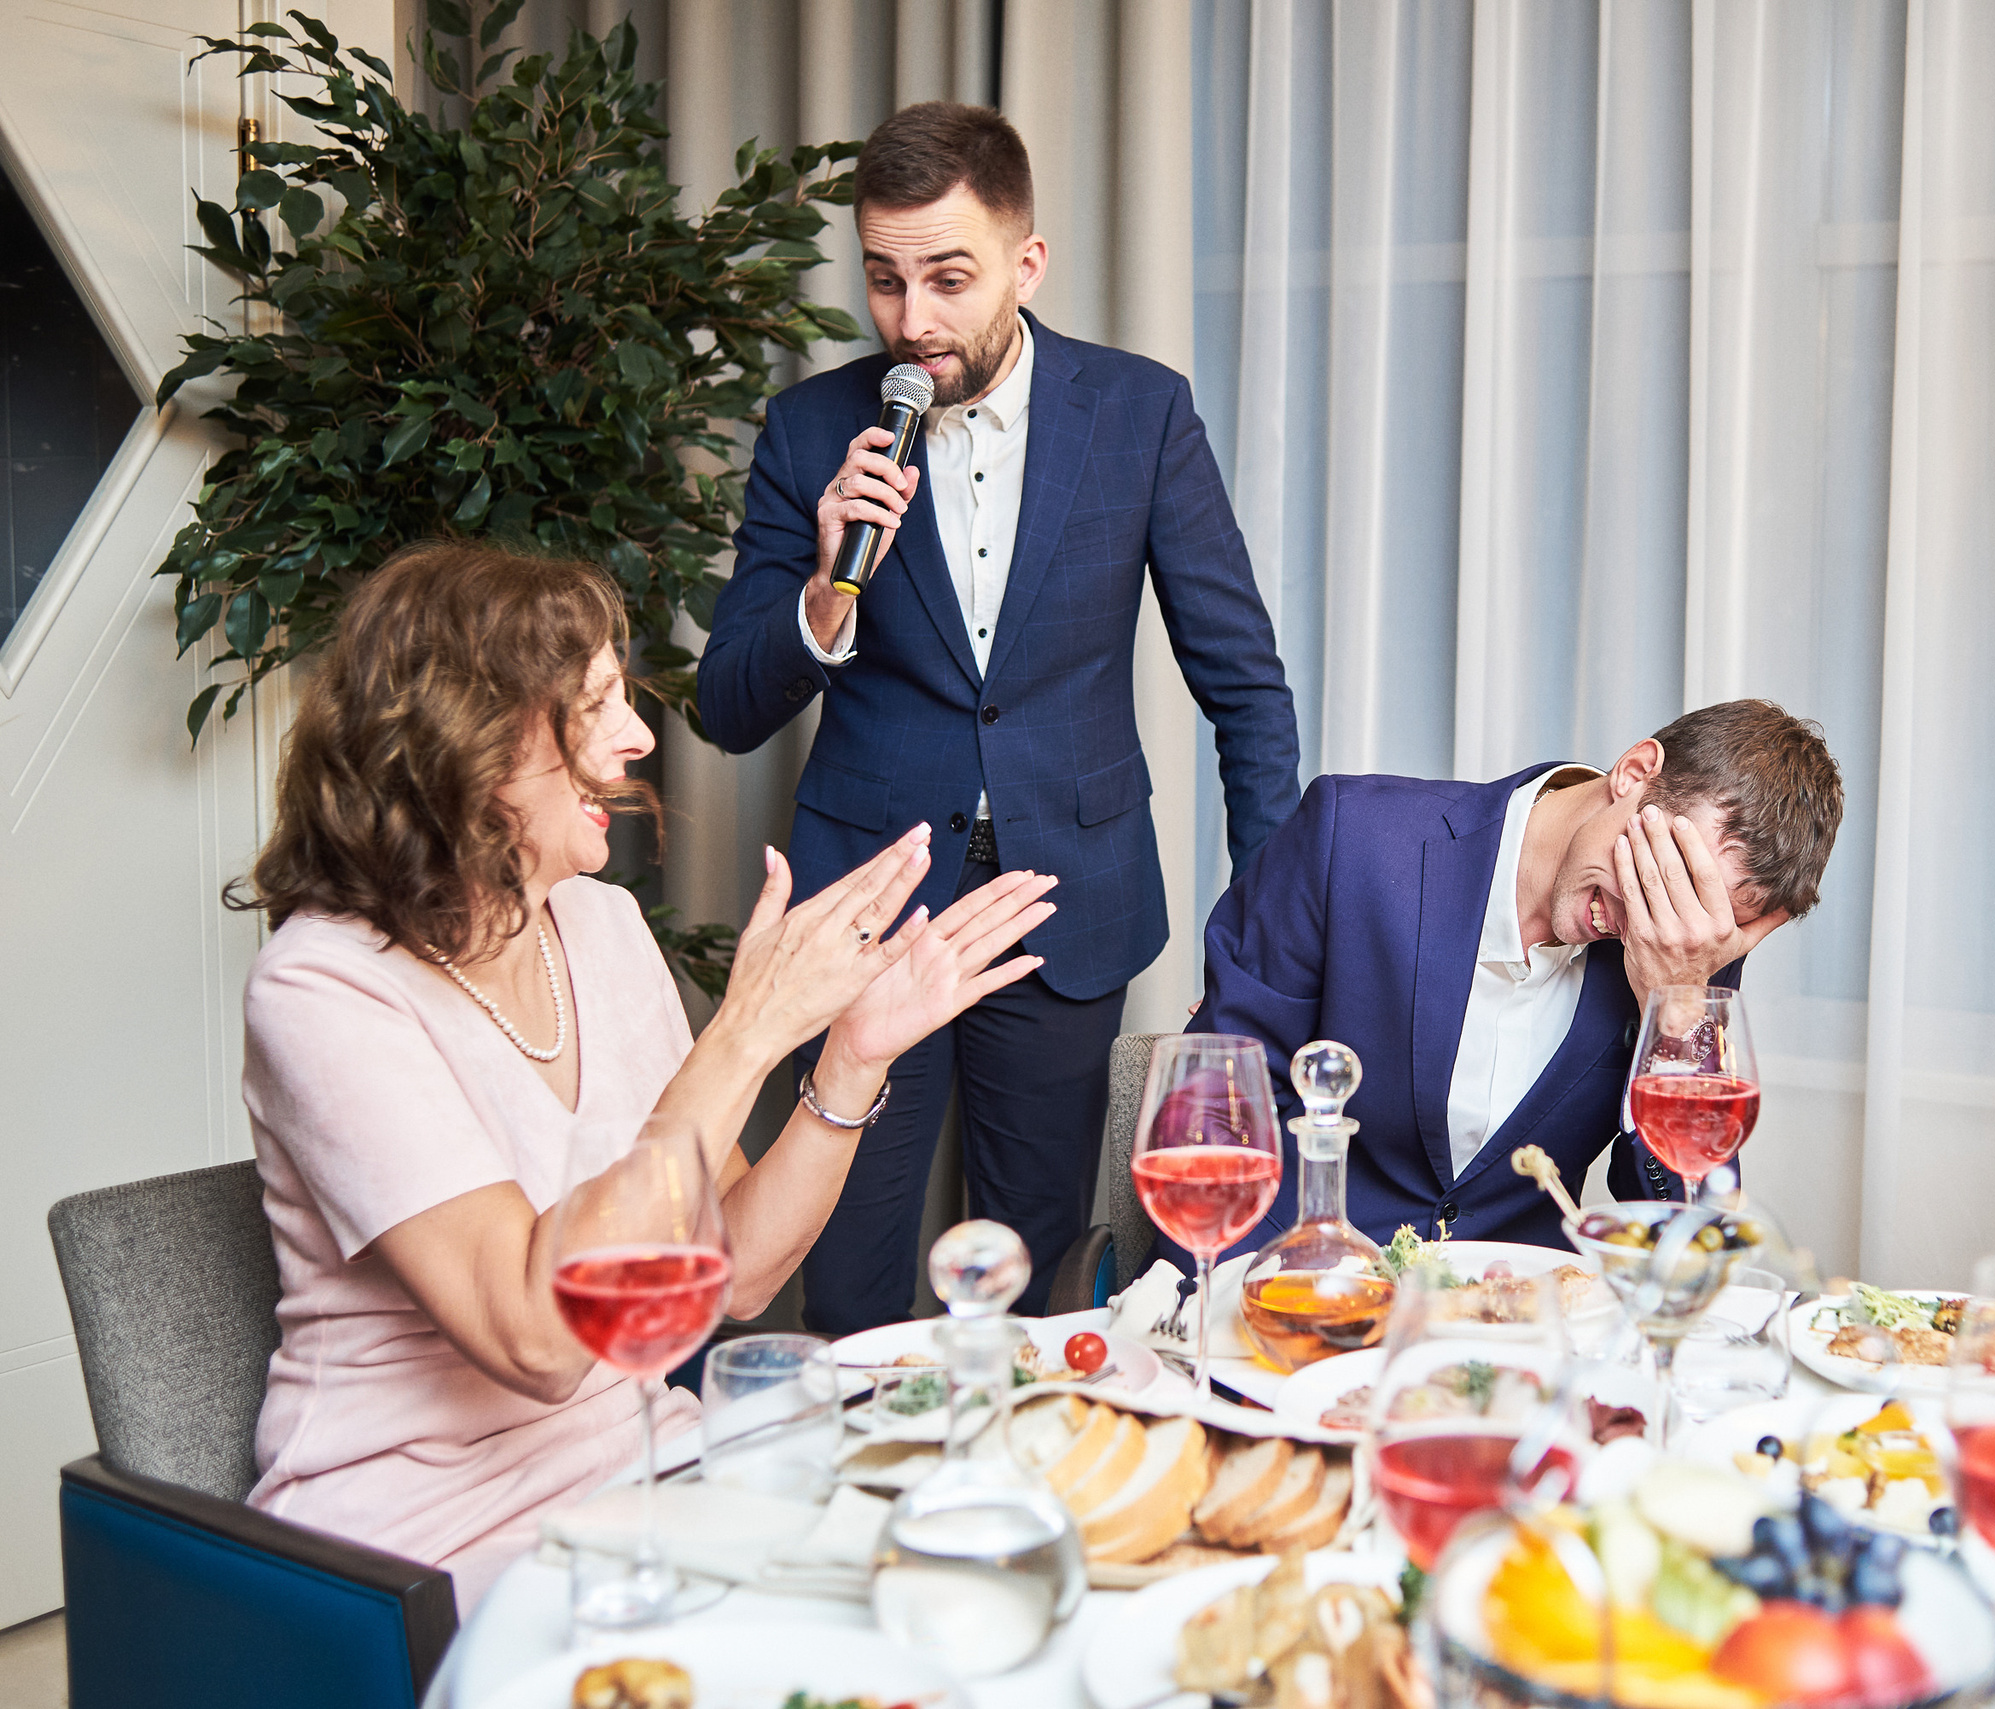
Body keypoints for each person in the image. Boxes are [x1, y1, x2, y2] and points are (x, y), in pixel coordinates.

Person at [236, 544, 1057, 1607]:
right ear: (473, 741)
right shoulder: (322, 988)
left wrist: (853, 1055)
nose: (635, 737)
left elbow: (740, 1271)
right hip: (418, 1546)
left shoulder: (601, 923)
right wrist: (743, 1033)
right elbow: (535, 1337)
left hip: (647, 1470)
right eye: (597, 703)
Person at [698, 101, 1299, 1333]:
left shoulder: (1140, 413)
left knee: (1026, 1270)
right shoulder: (811, 428)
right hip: (866, 911)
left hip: (1065, 899)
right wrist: (822, 595)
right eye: (884, 279)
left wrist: (1273, 939)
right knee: (851, 1271)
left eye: (948, 278)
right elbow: (723, 706)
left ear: (1027, 263)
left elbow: (1242, 683)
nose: (912, 321)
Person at [1190, 701, 1845, 1256]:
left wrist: (1673, 1017)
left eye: (1692, 907)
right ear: (1635, 772)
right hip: (1302, 1302)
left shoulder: (1684, 951)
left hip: (1519, 1349)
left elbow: (1685, 1241)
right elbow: (1211, 1115)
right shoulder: (1352, 835)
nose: (1657, 918)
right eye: (1661, 871)